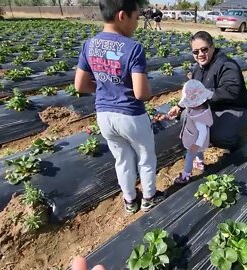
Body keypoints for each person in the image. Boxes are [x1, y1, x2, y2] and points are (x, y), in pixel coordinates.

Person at [74, 0, 164, 214]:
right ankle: (149, 198)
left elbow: (80, 85)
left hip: (104, 115)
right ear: (122, 16)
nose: (136, 23)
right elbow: (141, 93)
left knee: (122, 159)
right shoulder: (133, 48)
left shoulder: (90, 44)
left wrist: (107, 87)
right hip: (131, 115)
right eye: (136, 18)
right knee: (145, 157)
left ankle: (130, 201)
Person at [167, 31, 247, 151]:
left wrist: (203, 96)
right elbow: (193, 92)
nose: (200, 54)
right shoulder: (198, 68)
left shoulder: (226, 65)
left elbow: (231, 91)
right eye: (196, 52)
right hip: (213, 107)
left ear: (212, 47)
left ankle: (237, 143)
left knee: (218, 135)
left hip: (234, 108)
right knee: (186, 116)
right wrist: (179, 106)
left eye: (204, 49)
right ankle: (202, 145)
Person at [173, 80, 213, 184]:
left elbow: (203, 132)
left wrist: (196, 145)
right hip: (193, 137)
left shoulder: (199, 115)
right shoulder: (196, 108)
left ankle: (186, 175)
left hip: (194, 142)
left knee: (189, 157)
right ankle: (200, 163)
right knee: (199, 152)